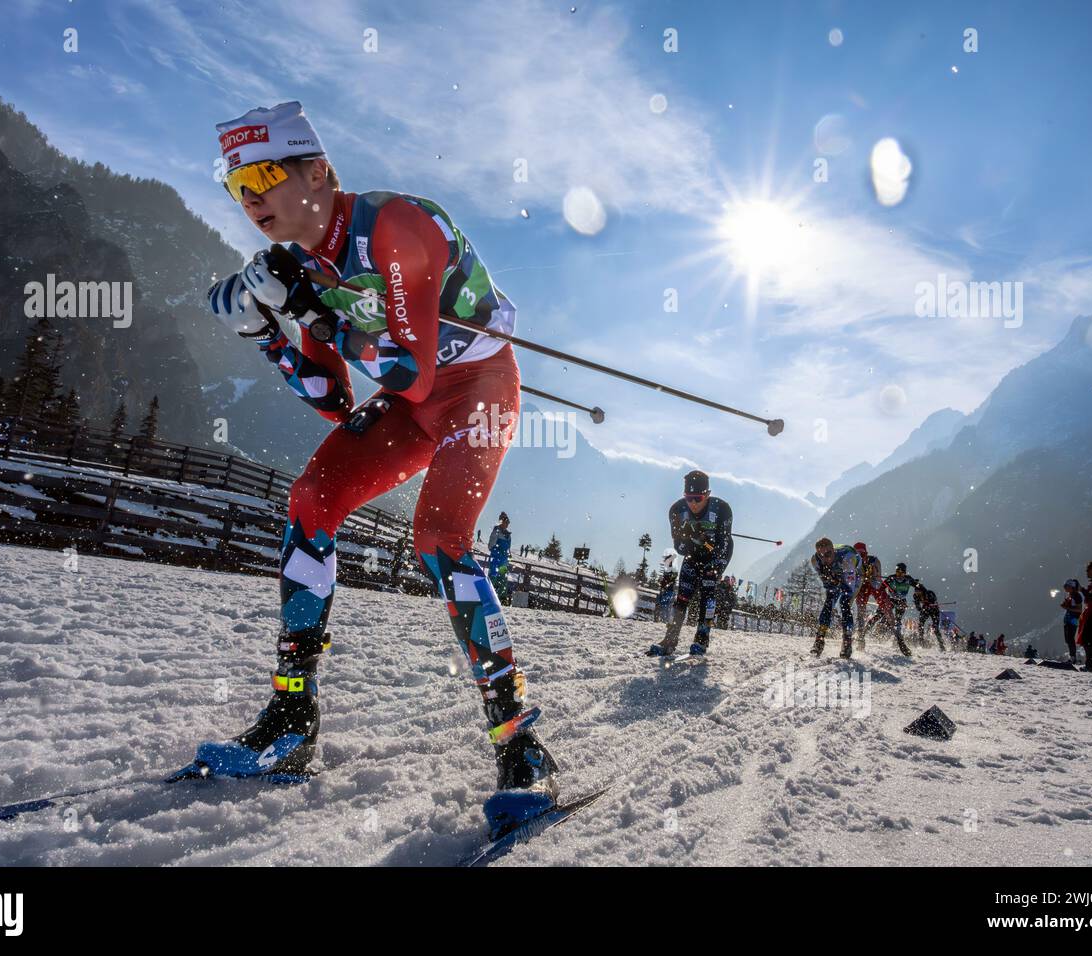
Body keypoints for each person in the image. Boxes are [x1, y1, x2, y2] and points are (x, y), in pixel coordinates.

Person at [196, 101, 557, 836]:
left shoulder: (397, 227)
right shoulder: (298, 264)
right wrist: (267, 333)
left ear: (319, 170)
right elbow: (332, 398)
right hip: (409, 400)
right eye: (238, 186)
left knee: (440, 536)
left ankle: (519, 740)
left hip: (474, 388)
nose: (252, 197)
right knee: (309, 501)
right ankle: (292, 717)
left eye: (265, 174)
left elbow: (412, 372)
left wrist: (313, 310)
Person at [647, 471, 733, 657]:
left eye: (698, 498)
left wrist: (703, 540)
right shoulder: (677, 511)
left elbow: (722, 546)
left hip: (717, 555)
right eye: (689, 498)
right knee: (683, 596)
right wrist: (690, 537)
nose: (693, 503)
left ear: (707, 495)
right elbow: (680, 548)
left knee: (707, 593)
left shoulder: (722, 510)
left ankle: (702, 638)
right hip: (692, 555)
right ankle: (670, 639)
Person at [808, 537, 864, 659]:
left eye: (828, 554)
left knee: (844, 602)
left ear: (833, 550)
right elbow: (828, 585)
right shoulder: (815, 560)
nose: (825, 558)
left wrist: (836, 578)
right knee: (829, 601)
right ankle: (819, 639)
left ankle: (847, 642)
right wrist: (830, 578)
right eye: (821, 555)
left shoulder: (847, 559)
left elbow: (848, 589)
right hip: (838, 573)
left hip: (856, 574)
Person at [852, 542, 892, 650]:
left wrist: (872, 576)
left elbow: (877, 583)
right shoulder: (851, 562)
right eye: (857, 555)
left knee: (887, 607)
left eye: (862, 555)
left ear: (866, 553)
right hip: (861, 587)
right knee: (861, 612)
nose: (860, 557)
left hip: (874, 584)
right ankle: (860, 638)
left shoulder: (874, 561)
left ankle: (897, 636)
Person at [880, 562, 919, 657]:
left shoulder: (908, 579)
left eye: (902, 573)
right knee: (884, 617)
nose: (899, 575)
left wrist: (917, 586)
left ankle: (897, 639)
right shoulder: (891, 578)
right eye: (897, 572)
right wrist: (883, 599)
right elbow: (881, 588)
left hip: (901, 601)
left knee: (898, 620)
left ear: (905, 573)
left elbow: (918, 588)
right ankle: (882, 630)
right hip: (891, 600)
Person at [487, 512, 513, 605]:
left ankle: (502, 598)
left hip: (503, 560)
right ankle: (489, 596)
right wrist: (497, 550)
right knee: (493, 575)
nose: (507, 524)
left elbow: (508, 547)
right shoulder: (496, 531)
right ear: (501, 522)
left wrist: (508, 554)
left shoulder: (508, 534)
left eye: (508, 523)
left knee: (502, 578)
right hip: (496, 558)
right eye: (505, 522)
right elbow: (490, 545)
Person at [1059, 579, 1083, 665]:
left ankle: (1073, 657)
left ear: (1071, 587)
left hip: (1073, 619)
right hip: (1068, 618)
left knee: (1070, 638)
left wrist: (1067, 607)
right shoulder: (1070, 595)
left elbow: (1079, 609)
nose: (1065, 588)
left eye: (1066, 586)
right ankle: (1072, 656)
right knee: (1068, 639)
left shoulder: (1077, 596)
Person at [916, 586, 945, 651]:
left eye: (918, 591)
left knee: (935, 628)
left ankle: (941, 644)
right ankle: (921, 641)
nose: (917, 593)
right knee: (920, 624)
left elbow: (934, 600)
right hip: (925, 609)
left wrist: (930, 603)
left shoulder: (929, 593)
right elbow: (918, 607)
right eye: (916, 591)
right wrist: (919, 607)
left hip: (934, 610)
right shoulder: (916, 596)